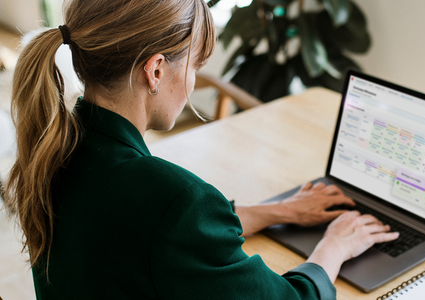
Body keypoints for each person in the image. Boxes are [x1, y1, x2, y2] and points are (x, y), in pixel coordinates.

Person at [1, 0, 398, 299]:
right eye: (194, 66)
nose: (192, 83)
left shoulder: (59, 146)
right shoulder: (173, 198)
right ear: (155, 71)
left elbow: (155, 234)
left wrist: (277, 212)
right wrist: (335, 246)